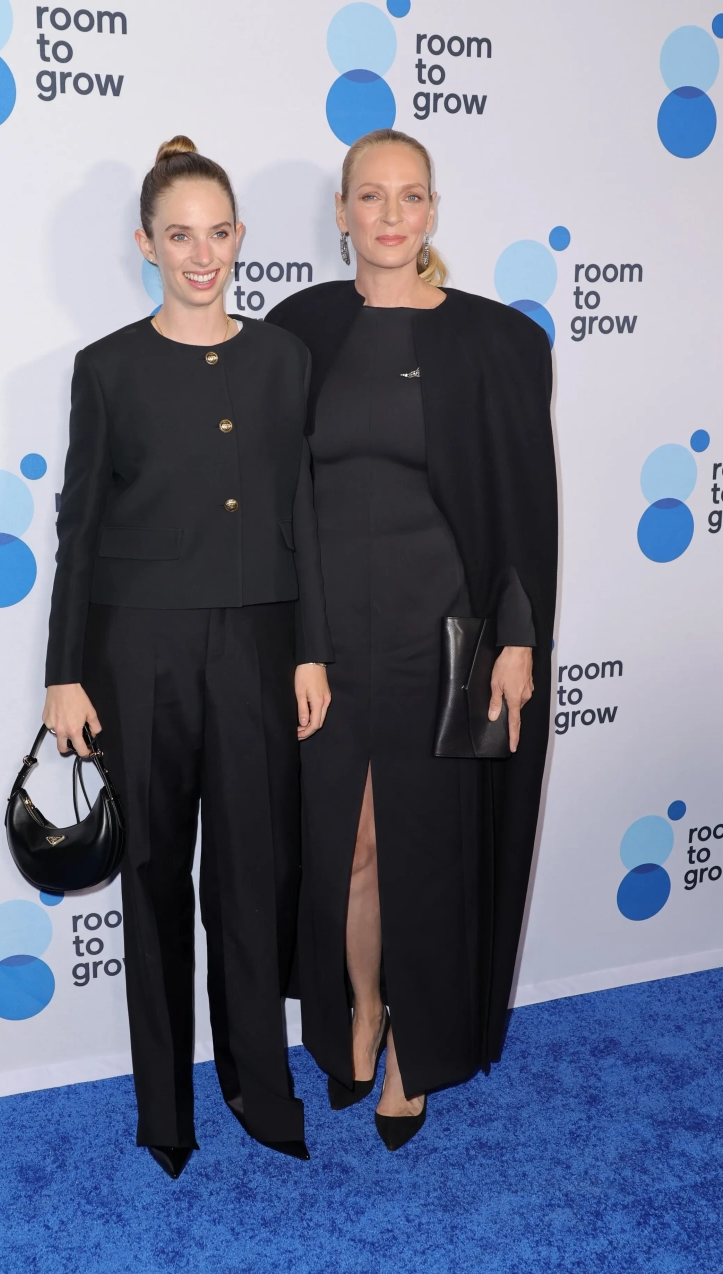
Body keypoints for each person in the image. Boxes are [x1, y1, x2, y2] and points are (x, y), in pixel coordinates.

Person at [42, 137, 332, 1179]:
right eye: (179, 235)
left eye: (217, 233)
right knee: (153, 875)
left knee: (252, 877)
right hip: (138, 653)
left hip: (259, 647)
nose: (201, 255)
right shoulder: (106, 368)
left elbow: (303, 511)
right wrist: (63, 671)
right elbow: (79, 528)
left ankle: (259, 1085)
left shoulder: (285, 359)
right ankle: (165, 1107)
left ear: (240, 237)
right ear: (146, 245)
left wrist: (311, 649)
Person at [267, 128, 557, 1151]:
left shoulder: (495, 341)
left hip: (453, 645)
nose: (390, 215)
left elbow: (522, 509)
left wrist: (517, 639)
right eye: (370, 196)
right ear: (341, 213)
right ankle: (359, 1008)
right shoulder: (299, 329)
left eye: (410, 196)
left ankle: (414, 1052)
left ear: (432, 211)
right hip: (326, 642)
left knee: (425, 856)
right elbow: (274, 497)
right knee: (346, 848)